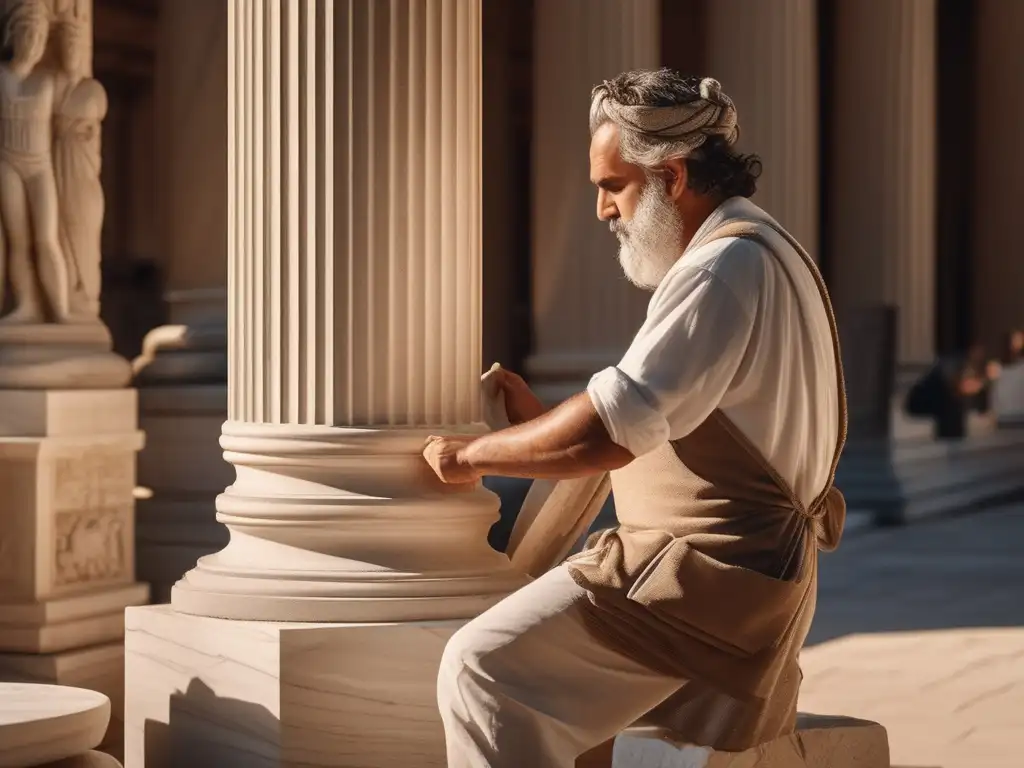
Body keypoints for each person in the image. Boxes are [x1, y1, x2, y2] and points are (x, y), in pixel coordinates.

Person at [423, 69, 846, 768]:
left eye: (611, 186)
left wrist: (473, 455)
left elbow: (605, 432)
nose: (602, 210)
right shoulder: (763, 250)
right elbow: (656, 417)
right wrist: (534, 429)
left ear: (673, 177)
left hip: (698, 589)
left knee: (484, 670)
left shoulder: (721, 269)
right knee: (561, 712)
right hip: (730, 584)